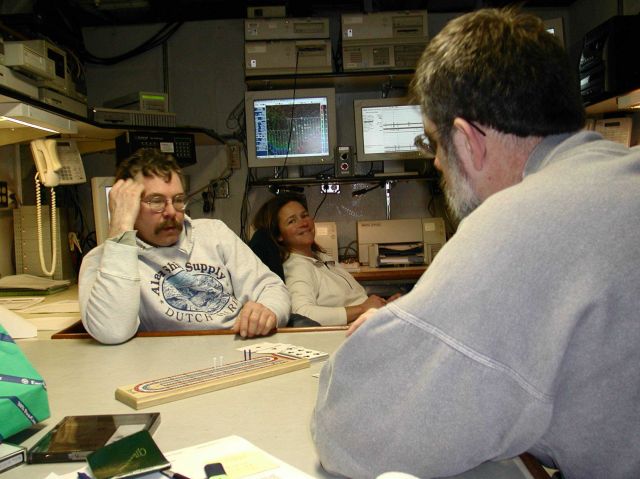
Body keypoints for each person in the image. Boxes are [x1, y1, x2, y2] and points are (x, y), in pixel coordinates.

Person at [311, 7, 640, 479]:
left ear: (467, 141)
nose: (438, 165)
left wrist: (396, 339)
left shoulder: (516, 222)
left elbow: (350, 433)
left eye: (433, 145)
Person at [79, 149, 290, 344]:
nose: (171, 212)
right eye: (156, 201)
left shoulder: (213, 233)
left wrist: (268, 310)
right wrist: (120, 226)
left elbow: (272, 287)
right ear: (129, 206)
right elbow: (112, 332)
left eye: (178, 200)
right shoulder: (103, 260)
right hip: (169, 363)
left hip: (237, 346)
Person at [252, 194, 398, 326]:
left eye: (304, 216)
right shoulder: (297, 268)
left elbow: (354, 299)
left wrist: (384, 306)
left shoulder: (321, 258)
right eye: (292, 221)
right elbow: (302, 314)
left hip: (370, 322)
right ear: (279, 235)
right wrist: (362, 308)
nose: (304, 223)